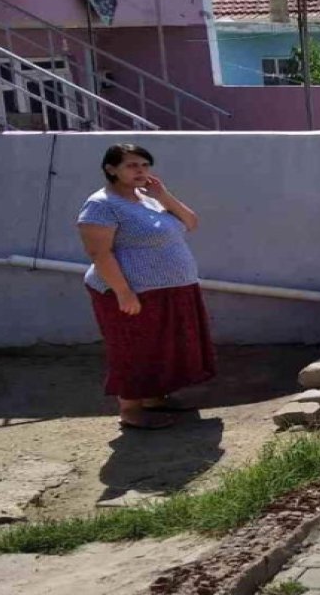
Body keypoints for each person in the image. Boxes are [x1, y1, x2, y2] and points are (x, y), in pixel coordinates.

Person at [77, 144, 214, 431]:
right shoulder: (101, 205)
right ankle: (130, 409)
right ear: (110, 169)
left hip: (172, 287)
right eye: (131, 165)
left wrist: (163, 195)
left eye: (144, 165)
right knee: (134, 347)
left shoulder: (148, 199)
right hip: (133, 290)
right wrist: (123, 292)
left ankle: (154, 398)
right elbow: (99, 253)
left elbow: (190, 222)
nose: (140, 170)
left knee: (163, 346)